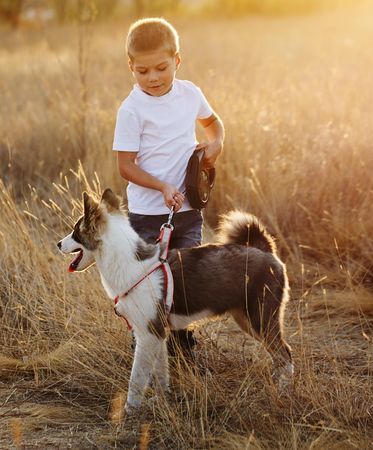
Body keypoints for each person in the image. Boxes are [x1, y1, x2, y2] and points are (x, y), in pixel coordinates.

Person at [112, 17, 225, 362]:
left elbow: (212, 123)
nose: (153, 78)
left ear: (177, 60)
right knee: (149, 286)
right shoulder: (131, 110)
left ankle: (182, 348)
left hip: (188, 210)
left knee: (185, 280)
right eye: (142, 71)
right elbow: (125, 166)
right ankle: (146, 349)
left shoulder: (190, 93)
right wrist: (161, 185)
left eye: (161, 68)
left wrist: (216, 142)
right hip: (148, 215)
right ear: (130, 67)